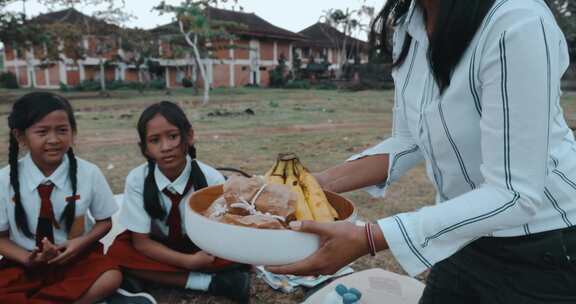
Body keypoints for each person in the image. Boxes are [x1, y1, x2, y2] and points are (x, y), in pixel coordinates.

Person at [268, 0, 576, 303]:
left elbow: (515, 191)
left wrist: (371, 237)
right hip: (460, 230)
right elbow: (409, 140)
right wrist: (309, 185)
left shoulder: (516, 21)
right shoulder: (409, 25)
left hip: (545, 246)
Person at [107, 101, 251, 303]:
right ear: (145, 149)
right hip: (157, 248)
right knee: (118, 253)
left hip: (201, 248)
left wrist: (199, 257)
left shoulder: (212, 179)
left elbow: (218, 236)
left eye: (173, 136)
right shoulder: (137, 179)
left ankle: (156, 277)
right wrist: (188, 262)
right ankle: (210, 283)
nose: (165, 147)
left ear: (189, 136)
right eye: (154, 140)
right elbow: (142, 242)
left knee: (240, 250)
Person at [0, 92, 136, 303]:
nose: (54, 139)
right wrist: (28, 259)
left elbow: (104, 222)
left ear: (73, 132)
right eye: (42, 132)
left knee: (110, 277)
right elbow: (1, 238)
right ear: (20, 136)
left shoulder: (89, 173)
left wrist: (78, 244)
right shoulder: (3, 180)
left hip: (76, 259)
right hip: (23, 262)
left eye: (62, 130)